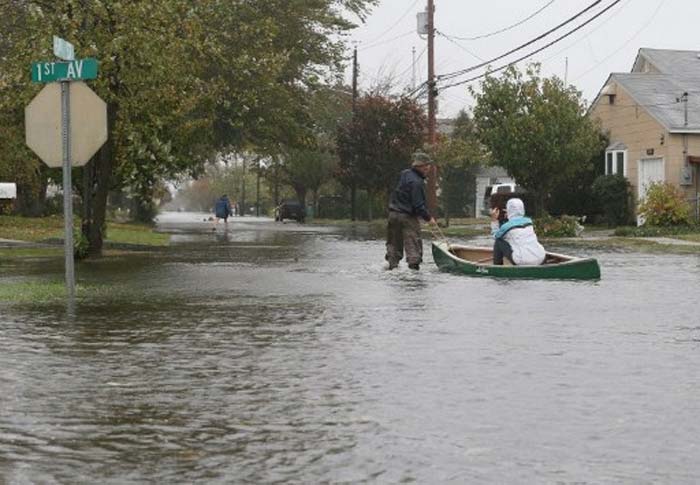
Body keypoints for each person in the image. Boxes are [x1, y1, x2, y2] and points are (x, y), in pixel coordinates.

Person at [385, 151, 437, 270]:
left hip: (393, 214)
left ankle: (392, 266)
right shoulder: (417, 183)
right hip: (407, 217)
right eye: (427, 165)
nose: (428, 168)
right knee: (413, 242)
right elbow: (418, 205)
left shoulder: (404, 174)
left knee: (393, 243)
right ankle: (414, 270)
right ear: (421, 166)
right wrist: (429, 218)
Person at [490, 197, 546, 266]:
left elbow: (495, 235)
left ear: (509, 210)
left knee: (498, 240)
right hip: (541, 258)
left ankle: (497, 266)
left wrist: (494, 220)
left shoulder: (506, 226)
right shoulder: (529, 221)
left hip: (522, 261)